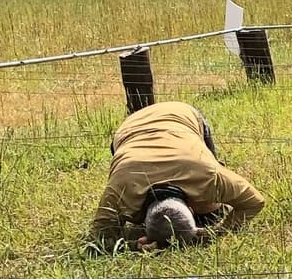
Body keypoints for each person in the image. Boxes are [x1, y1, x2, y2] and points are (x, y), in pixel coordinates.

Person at [86, 101, 265, 251]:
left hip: (182, 116)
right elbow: (98, 240)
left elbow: (255, 202)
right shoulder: (120, 188)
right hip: (130, 129)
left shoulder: (207, 173)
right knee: (210, 214)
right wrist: (134, 246)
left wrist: (217, 231)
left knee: (213, 214)